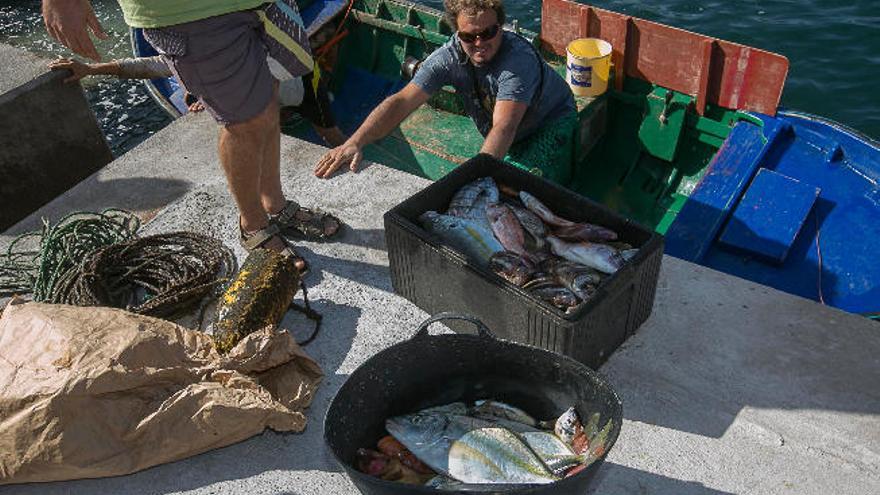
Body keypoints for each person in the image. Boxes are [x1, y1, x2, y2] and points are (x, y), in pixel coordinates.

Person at [41, 0, 342, 274]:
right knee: (245, 121)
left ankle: (275, 204)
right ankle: (253, 225)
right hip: (193, 11)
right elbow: (155, 65)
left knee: (267, 99)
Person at [314, 0, 577, 180]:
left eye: (489, 32)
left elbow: (504, 127)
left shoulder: (517, 63)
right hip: (506, 129)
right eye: (468, 36)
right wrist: (354, 142)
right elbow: (403, 101)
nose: (479, 43)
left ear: (501, 27)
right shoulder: (449, 56)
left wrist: (467, 181)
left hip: (550, 122)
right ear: (457, 33)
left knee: (523, 190)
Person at [48, 57, 347, 146]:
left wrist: (209, 98)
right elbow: (140, 67)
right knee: (264, 123)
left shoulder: (233, 45)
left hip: (301, 82)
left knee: (329, 134)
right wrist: (89, 69)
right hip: (254, 93)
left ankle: (344, 148)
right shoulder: (191, 53)